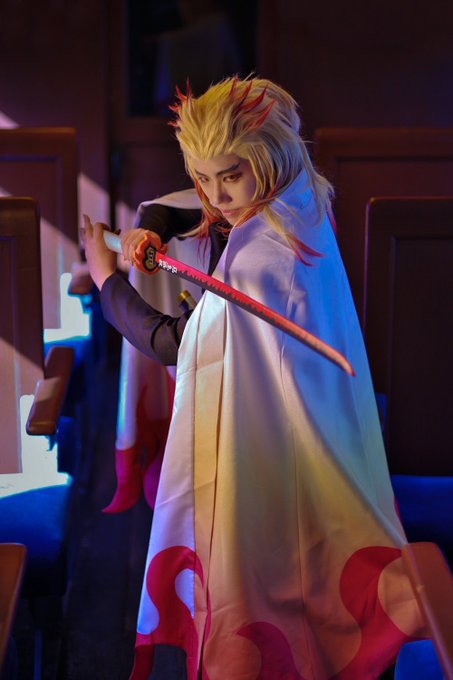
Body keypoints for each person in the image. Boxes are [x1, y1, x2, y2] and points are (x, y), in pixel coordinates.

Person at [83, 76, 425, 680]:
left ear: (270, 156)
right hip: (314, 420)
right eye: (203, 177)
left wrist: (106, 277)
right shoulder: (299, 196)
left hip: (283, 449)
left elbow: (174, 343)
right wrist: (154, 225)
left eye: (231, 176)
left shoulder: (262, 263)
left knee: (275, 588)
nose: (218, 197)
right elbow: (194, 207)